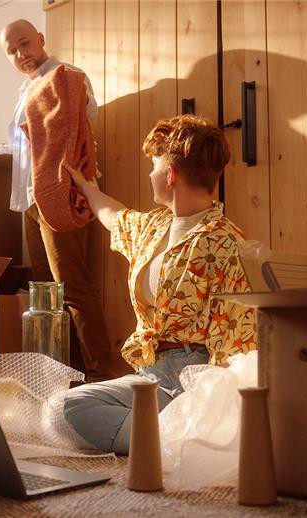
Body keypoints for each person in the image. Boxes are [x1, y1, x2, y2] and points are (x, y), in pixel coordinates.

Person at [62, 114, 257, 455]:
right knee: (67, 407)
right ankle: (174, 439)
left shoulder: (226, 243)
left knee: (78, 417)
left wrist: (212, 403)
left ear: (170, 175)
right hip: (150, 376)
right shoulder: (153, 227)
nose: (149, 174)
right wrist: (84, 185)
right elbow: (115, 217)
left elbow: (238, 334)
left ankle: (184, 434)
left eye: (154, 166)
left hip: (195, 380)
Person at [0, 19, 123, 382]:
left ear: (40, 39)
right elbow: (33, 146)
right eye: (13, 51)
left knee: (72, 287)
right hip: (30, 200)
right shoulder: (27, 90)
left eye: (25, 44)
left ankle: (105, 375)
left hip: (60, 194)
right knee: (47, 293)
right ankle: (64, 374)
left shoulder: (67, 78)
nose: (22, 54)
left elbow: (74, 128)